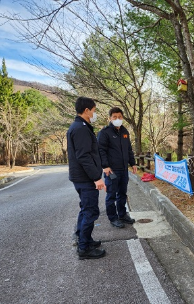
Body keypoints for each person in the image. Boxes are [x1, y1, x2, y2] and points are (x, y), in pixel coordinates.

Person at [67, 96, 106, 260]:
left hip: (81, 178)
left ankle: (84, 238)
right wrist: (96, 177)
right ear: (86, 110)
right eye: (94, 111)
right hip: (86, 178)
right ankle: (84, 248)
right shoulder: (81, 128)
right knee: (90, 211)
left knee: (85, 209)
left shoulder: (79, 126)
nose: (94, 114)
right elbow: (84, 156)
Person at [97, 107, 138, 229]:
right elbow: (101, 150)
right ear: (110, 118)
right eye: (114, 117)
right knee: (111, 195)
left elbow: (129, 149)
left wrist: (133, 163)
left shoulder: (125, 131)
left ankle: (122, 214)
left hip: (123, 169)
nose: (117, 119)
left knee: (122, 193)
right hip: (111, 170)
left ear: (122, 118)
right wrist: (105, 166)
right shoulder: (104, 133)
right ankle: (113, 217)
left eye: (119, 117)